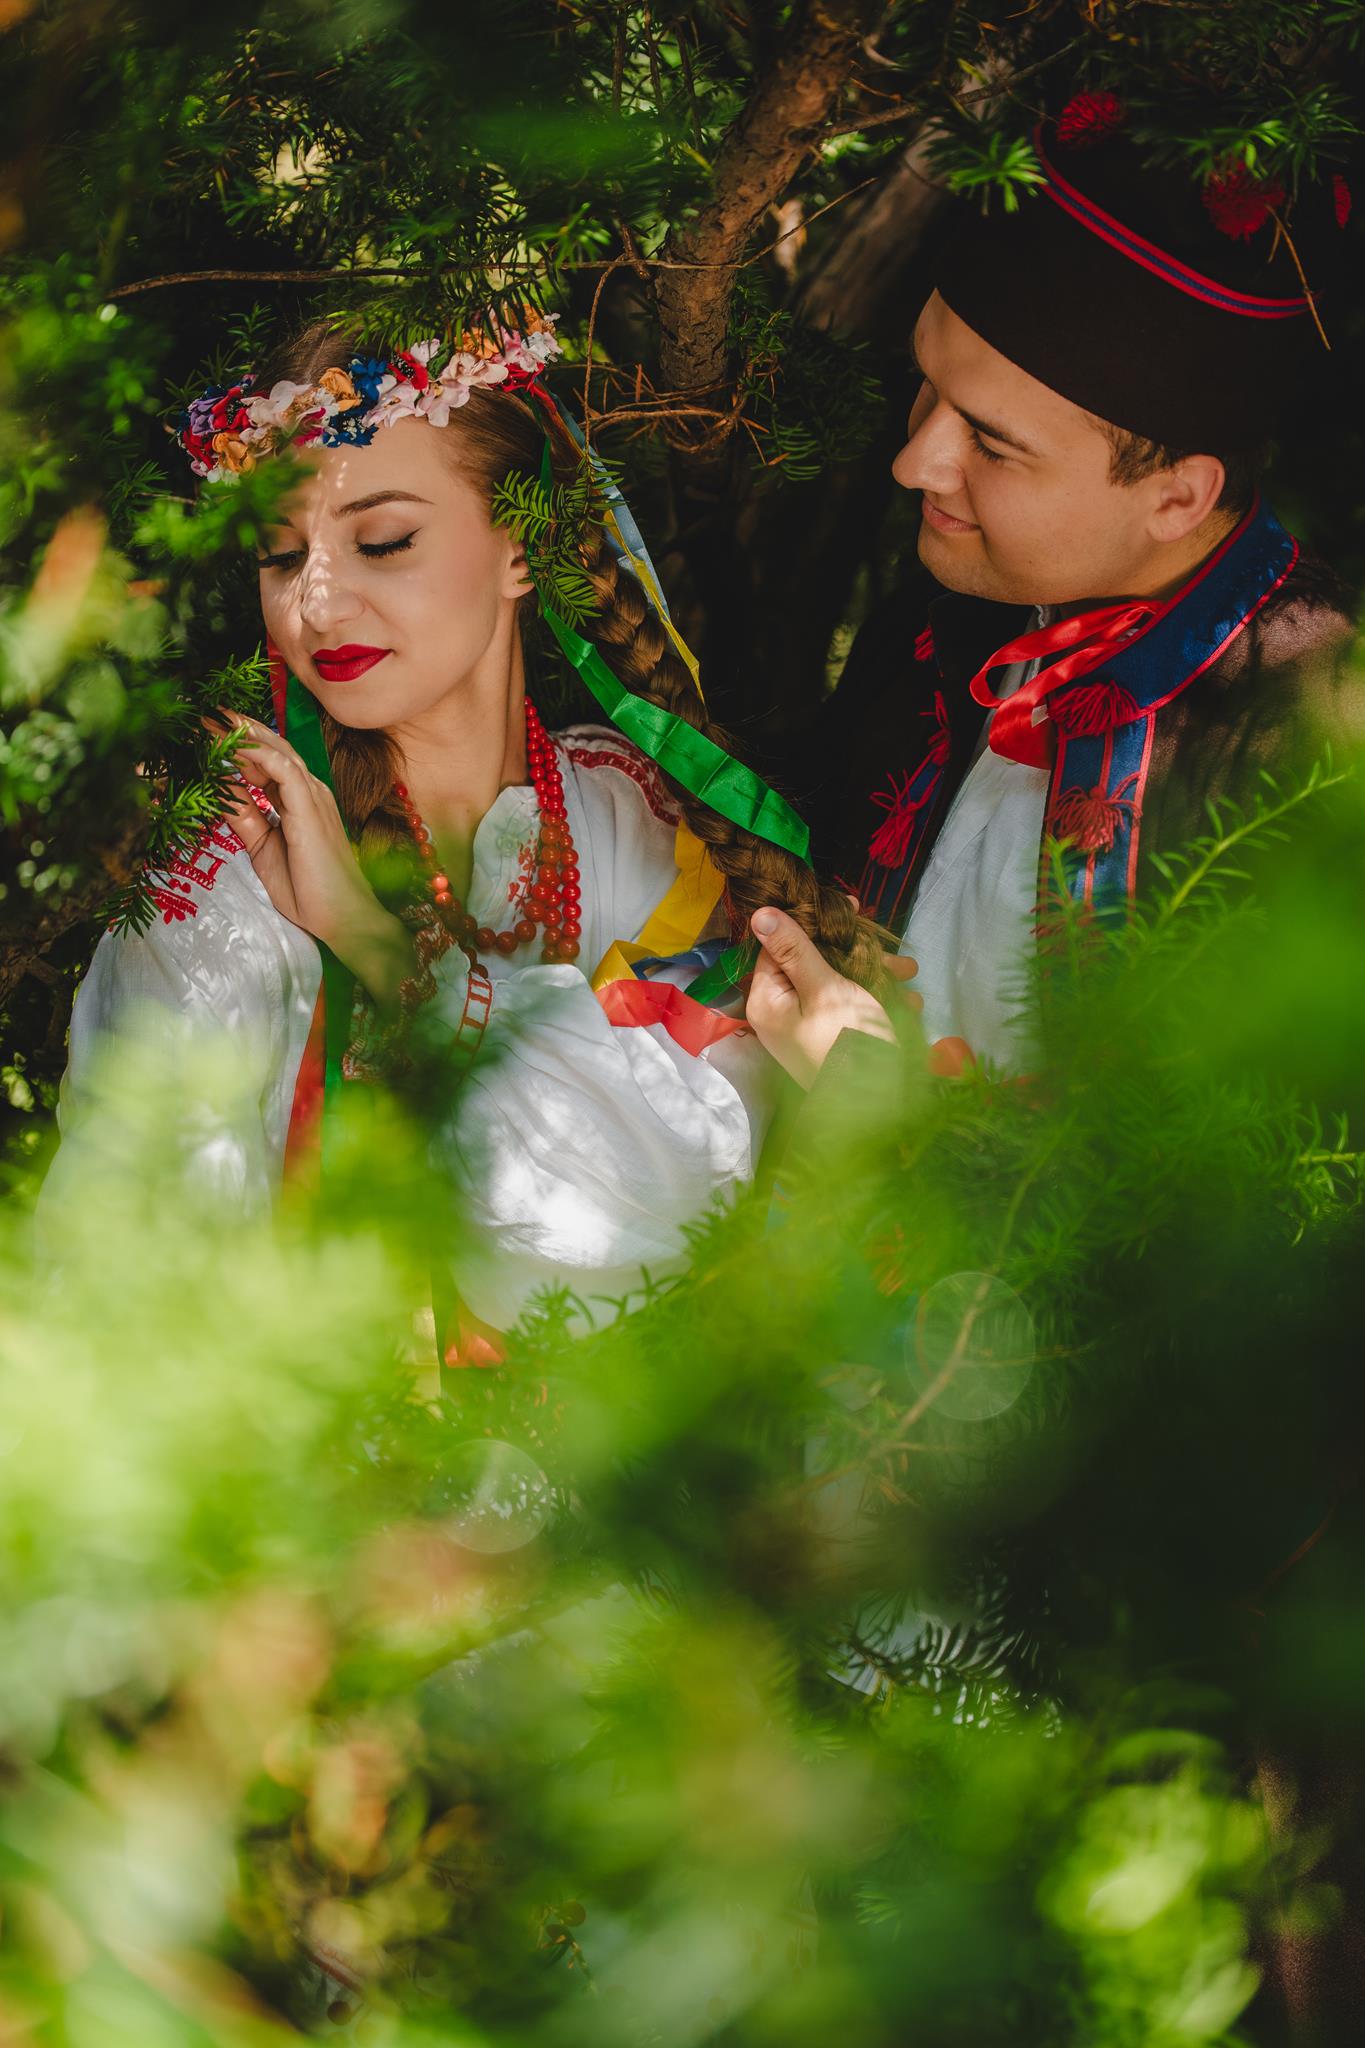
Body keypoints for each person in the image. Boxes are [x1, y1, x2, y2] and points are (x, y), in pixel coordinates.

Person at [44, 313, 888, 1342]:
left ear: (522, 546)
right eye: (279, 556)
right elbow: (127, 1296)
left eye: (383, 542)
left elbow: (668, 1201)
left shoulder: (642, 821)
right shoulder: (225, 886)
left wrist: (378, 945)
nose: (317, 604)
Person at [746, 100, 1359, 1086]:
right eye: (925, 385)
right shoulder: (954, 607)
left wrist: (881, 1113)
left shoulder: (1315, 763)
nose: (912, 464)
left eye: (991, 444)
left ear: (1176, 498)